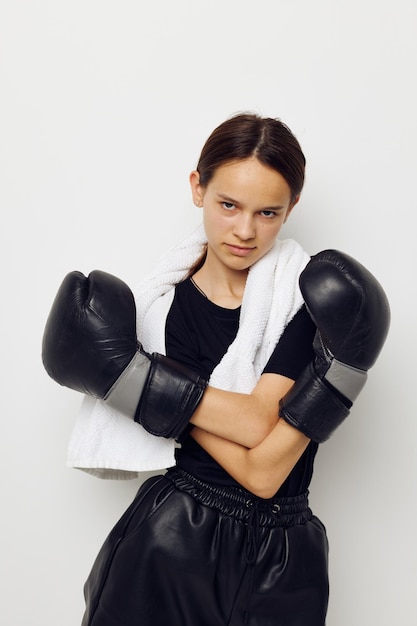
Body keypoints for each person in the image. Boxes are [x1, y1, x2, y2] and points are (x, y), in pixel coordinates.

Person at [42, 113, 390, 626]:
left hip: (287, 558)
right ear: (197, 188)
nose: (245, 231)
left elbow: (264, 463)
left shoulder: (306, 296)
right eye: (228, 205)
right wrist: (322, 388)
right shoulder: (161, 314)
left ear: (293, 205)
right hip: (172, 538)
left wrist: (135, 381)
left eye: (268, 212)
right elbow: (258, 449)